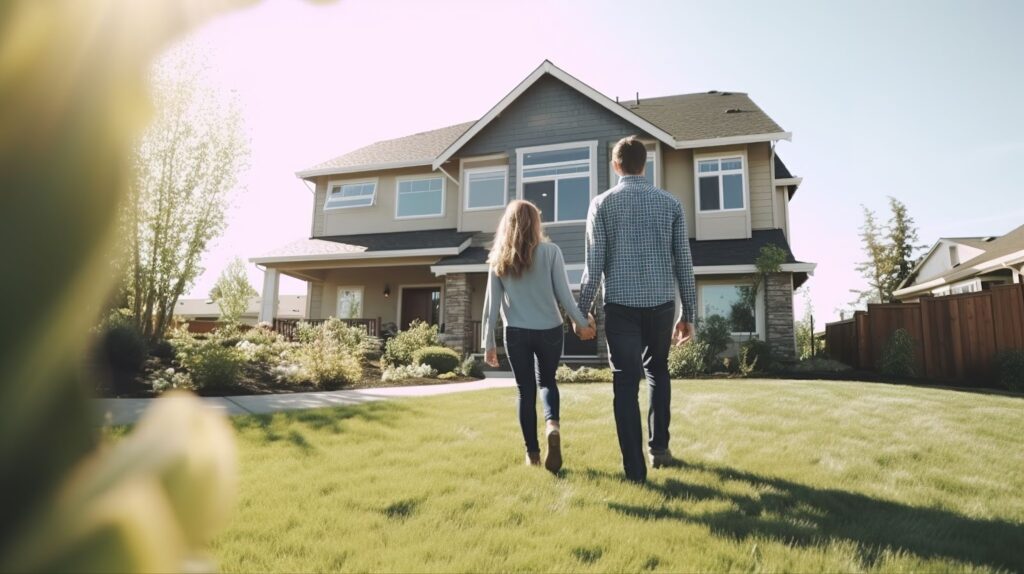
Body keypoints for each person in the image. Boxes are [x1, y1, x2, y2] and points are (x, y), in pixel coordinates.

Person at [576, 135, 697, 483]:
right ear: (645, 165)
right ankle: (659, 450)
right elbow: (683, 263)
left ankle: (635, 471)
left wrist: (581, 310)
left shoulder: (601, 204)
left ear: (616, 166)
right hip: (661, 305)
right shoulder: (671, 204)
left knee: (625, 383)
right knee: (658, 370)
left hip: (621, 308)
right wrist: (688, 314)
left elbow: (593, 263)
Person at [482, 200, 596, 473]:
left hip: (516, 333)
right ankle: (552, 426)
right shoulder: (551, 252)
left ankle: (532, 454)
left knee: (525, 391)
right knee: (547, 382)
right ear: (535, 223)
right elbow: (565, 296)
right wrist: (583, 323)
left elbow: (491, 306)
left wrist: (489, 344)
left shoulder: (498, 259)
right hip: (550, 331)